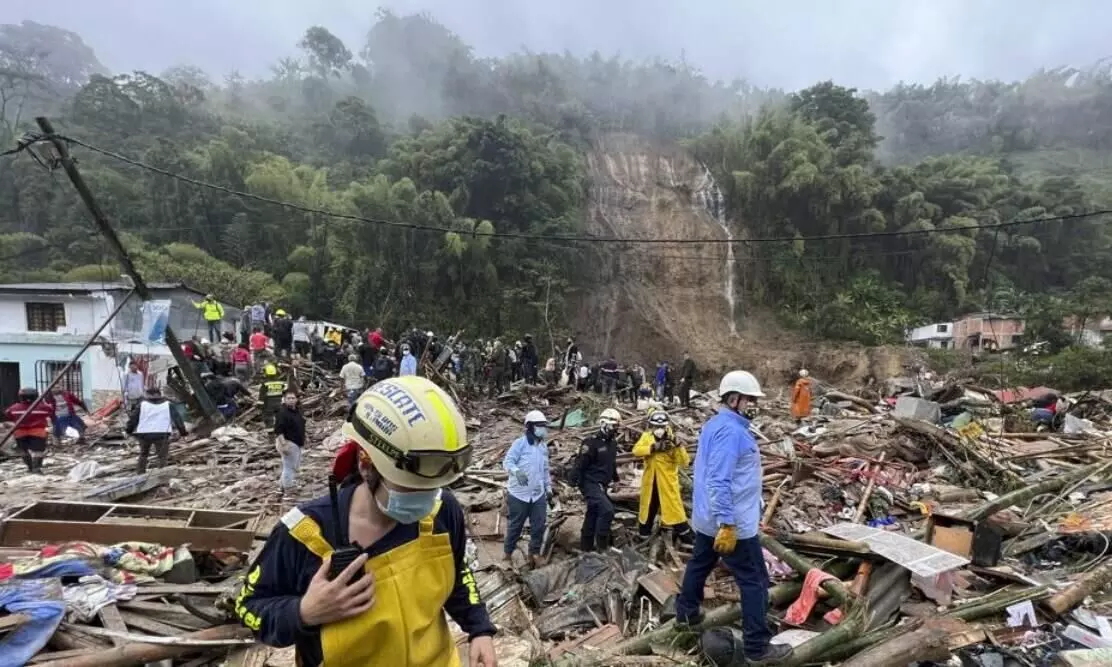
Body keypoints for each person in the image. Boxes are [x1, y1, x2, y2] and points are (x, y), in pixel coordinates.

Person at [235, 377, 498, 667]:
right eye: (410, 486)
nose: (426, 501)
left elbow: (456, 571)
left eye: (433, 488)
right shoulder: (304, 534)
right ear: (365, 464)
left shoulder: (442, 511)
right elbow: (249, 608)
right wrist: (304, 612)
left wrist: (479, 628)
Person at [672, 370, 791, 664]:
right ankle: (756, 648)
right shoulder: (732, 433)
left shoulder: (717, 424)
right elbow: (719, 480)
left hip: (708, 519)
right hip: (731, 523)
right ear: (734, 399)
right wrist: (727, 522)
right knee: (755, 582)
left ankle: (686, 614)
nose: (754, 404)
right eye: (750, 399)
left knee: (700, 563)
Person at [633, 409, 692, 543]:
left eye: (661, 427)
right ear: (651, 426)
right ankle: (644, 537)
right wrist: (652, 448)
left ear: (666, 426)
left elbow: (684, 462)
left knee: (675, 510)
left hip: (667, 483)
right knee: (648, 510)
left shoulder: (672, 440)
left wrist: (678, 446)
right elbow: (636, 451)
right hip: (651, 483)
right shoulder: (647, 437)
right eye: (656, 427)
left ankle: (688, 538)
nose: (659, 429)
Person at [502, 410, 552, 568]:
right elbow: (508, 462)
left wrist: (548, 487)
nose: (543, 429)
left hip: (538, 494)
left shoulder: (543, 447)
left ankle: (534, 553)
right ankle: (507, 554)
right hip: (519, 494)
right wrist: (516, 472)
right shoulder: (520, 444)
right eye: (540, 426)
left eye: (544, 426)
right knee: (515, 525)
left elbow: (545, 469)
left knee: (539, 524)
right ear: (530, 427)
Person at [573, 408, 621, 552]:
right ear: (604, 424)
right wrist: (573, 483)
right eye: (614, 426)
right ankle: (602, 546)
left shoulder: (612, 443)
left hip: (602, 484)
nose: (615, 430)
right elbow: (580, 464)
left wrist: (616, 479)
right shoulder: (591, 443)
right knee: (607, 511)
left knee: (592, 514)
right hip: (590, 483)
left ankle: (585, 548)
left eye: (617, 426)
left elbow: (611, 463)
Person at [127, 386, 188, 473]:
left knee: (143, 454)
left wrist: (128, 430)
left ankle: (140, 472)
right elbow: (178, 419)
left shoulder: (142, 405)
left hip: (144, 433)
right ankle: (161, 474)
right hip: (162, 433)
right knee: (162, 456)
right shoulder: (168, 404)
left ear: (147, 394)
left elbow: (133, 419)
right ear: (159, 394)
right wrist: (183, 432)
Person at [3, 388, 54, 473]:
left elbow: (8, 415)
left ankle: (30, 468)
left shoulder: (14, 408)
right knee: (38, 451)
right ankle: (36, 468)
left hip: (20, 432)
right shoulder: (43, 407)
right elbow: (51, 411)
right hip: (38, 431)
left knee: (23, 451)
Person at [273, 391, 305, 493]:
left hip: (296, 442)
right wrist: (284, 444)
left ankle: (282, 486)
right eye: (288, 398)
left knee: (290, 465)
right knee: (289, 466)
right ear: (284, 400)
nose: (291, 400)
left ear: (296, 399)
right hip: (288, 442)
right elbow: (278, 430)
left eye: (293, 398)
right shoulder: (282, 413)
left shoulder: (297, 411)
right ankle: (289, 487)